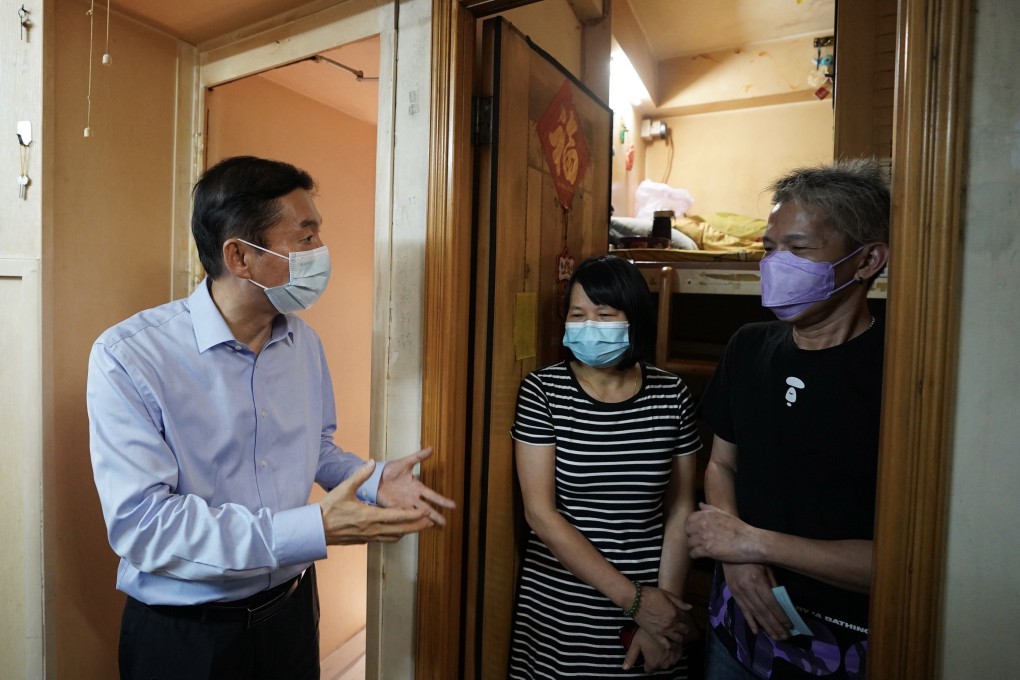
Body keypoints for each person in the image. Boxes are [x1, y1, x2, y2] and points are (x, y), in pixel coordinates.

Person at [87, 156, 455, 680]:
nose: (320, 253)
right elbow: (144, 525)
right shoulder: (130, 357)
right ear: (239, 255)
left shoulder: (302, 341)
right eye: (304, 238)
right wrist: (315, 527)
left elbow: (315, 447)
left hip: (291, 614)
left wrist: (372, 479)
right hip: (187, 635)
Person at [684, 158, 891, 679]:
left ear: (866, 261)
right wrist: (738, 564)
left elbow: (902, 560)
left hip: (845, 642)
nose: (777, 263)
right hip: (735, 621)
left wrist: (751, 544)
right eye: (770, 249)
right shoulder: (748, 346)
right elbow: (722, 464)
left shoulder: (903, 375)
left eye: (798, 249)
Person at [508, 255, 702, 678]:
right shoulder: (543, 392)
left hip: (656, 594)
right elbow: (540, 514)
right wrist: (636, 602)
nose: (588, 325)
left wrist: (661, 612)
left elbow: (681, 507)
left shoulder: (672, 394)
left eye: (604, 314)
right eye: (577, 315)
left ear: (633, 318)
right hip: (565, 605)